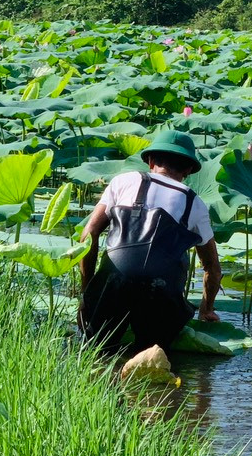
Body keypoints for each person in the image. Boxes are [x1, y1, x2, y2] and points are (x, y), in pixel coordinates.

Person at [79, 129, 222, 355]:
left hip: (115, 280)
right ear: (188, 170)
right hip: (160, 291)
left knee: (96, 353)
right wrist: (206, 309)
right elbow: (212, 268)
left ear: (151, 160)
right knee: (150, 360)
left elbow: (89, 234)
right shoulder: (195, 203)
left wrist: (88, 290)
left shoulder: (123, 181)